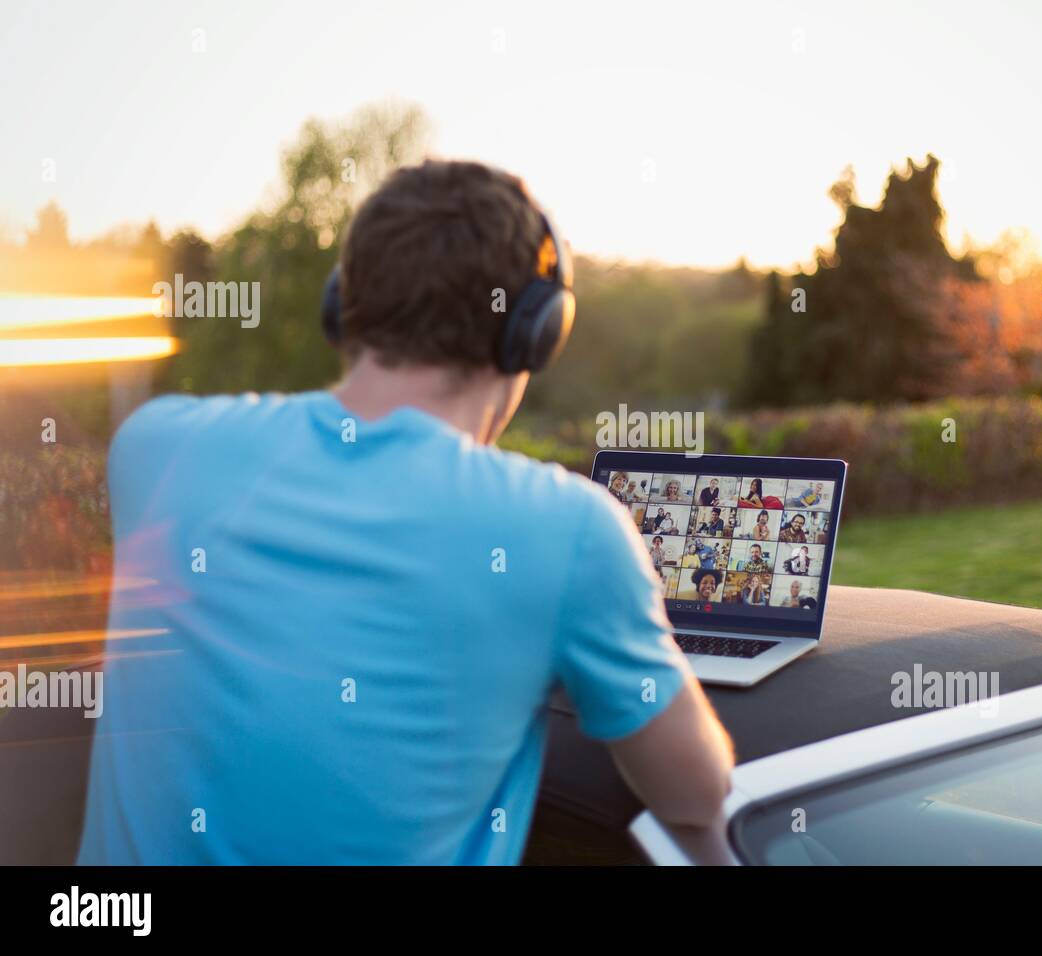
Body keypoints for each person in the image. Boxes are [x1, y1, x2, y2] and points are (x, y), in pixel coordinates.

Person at [77, 160, 733, 866]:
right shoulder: (570, 531)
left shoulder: (154, 445)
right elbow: (698, 797)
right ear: (535, 331)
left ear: (343, 307)